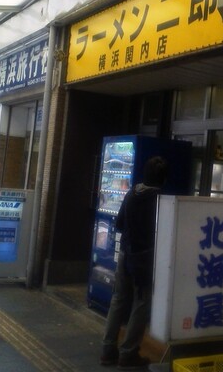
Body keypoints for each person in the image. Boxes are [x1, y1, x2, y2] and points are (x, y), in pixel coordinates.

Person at [100, 156, 168, 369]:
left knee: (118, 299)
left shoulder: (131, 193)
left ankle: (107, 349)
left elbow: (119, 223)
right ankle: (128, 353)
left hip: (125, 253)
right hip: (144, 259)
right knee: (141, 303)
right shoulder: (160, 200)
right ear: (163, 178)